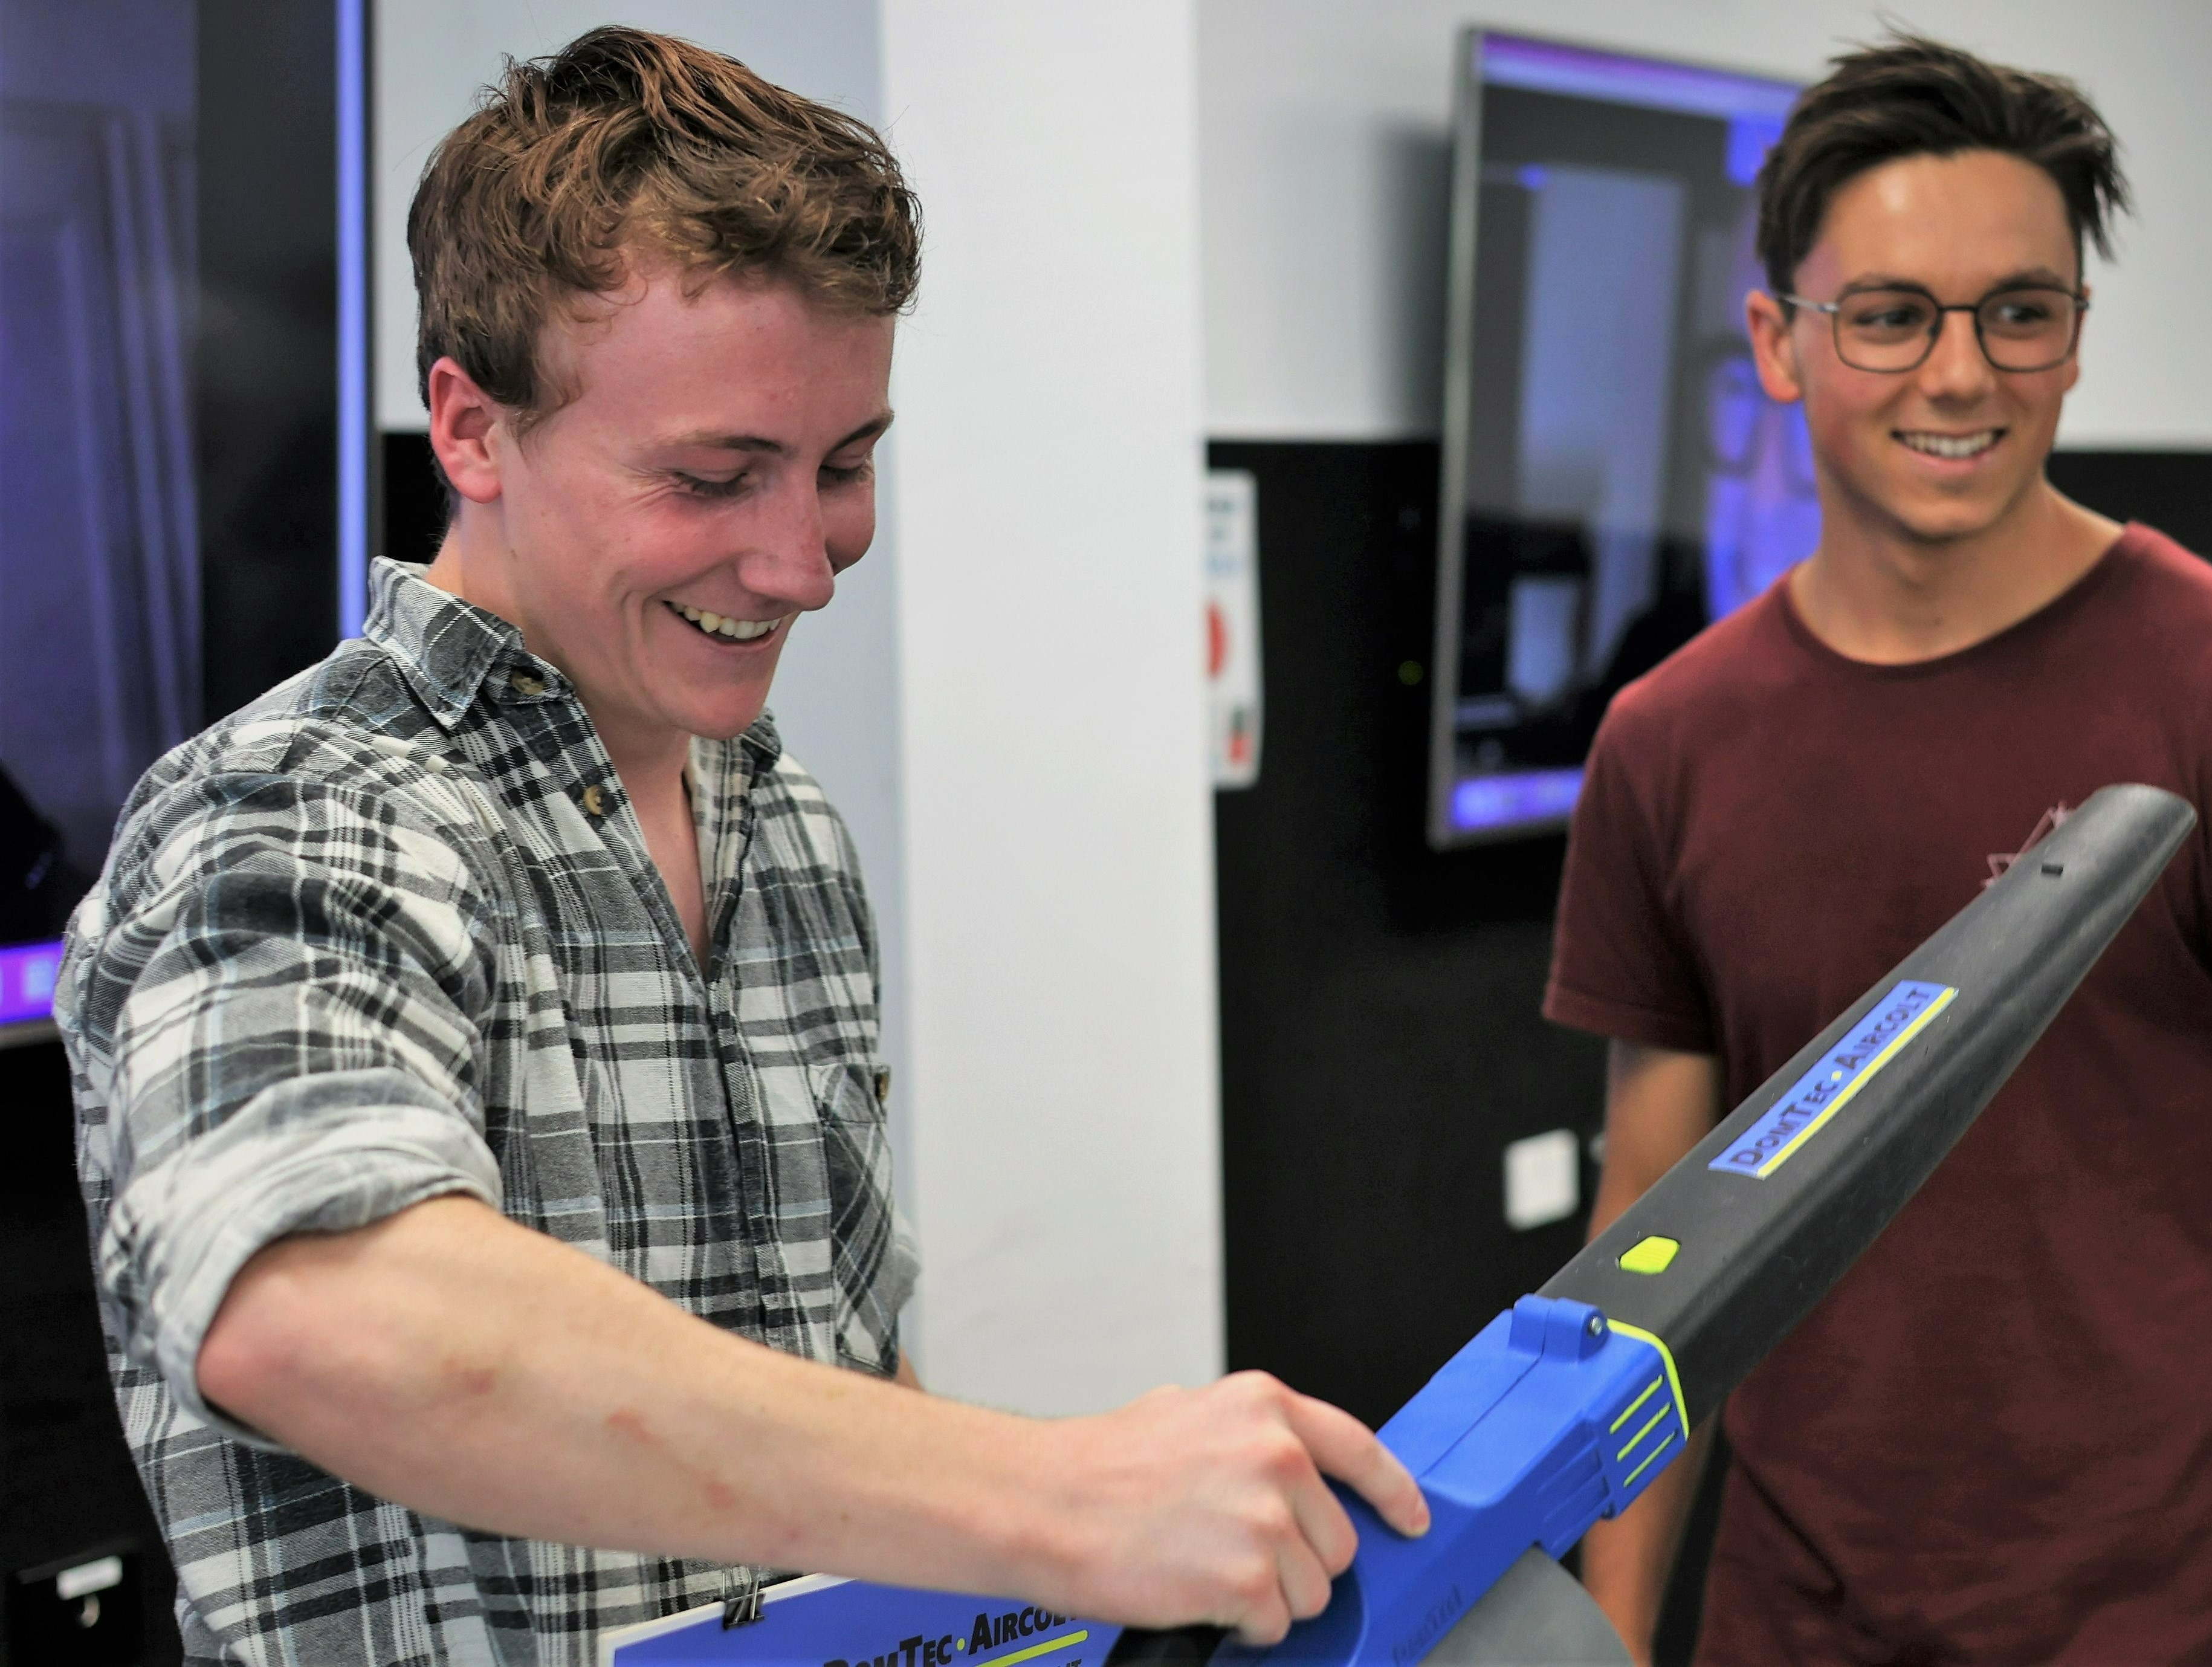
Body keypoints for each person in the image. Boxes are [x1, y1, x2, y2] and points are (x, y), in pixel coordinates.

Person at [59, 27, 1425, 1665]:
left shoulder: (775, 816)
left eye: (845, 466)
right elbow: (319, 1313)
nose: (803, 563)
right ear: (473, 429)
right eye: (716, 476)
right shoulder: (293, 809)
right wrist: (1057, 1497)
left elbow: (831, 1370)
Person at [1548, 34, 2212, 1667]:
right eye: (1892, 314)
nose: (1961, 374)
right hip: (1799, 1631)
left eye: (2019, 311)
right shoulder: (1668, 742)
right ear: (1776, 342)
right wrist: (1604, 1644)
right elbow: (1650, 1236)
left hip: (2183, 1631)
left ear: (2069, 339)